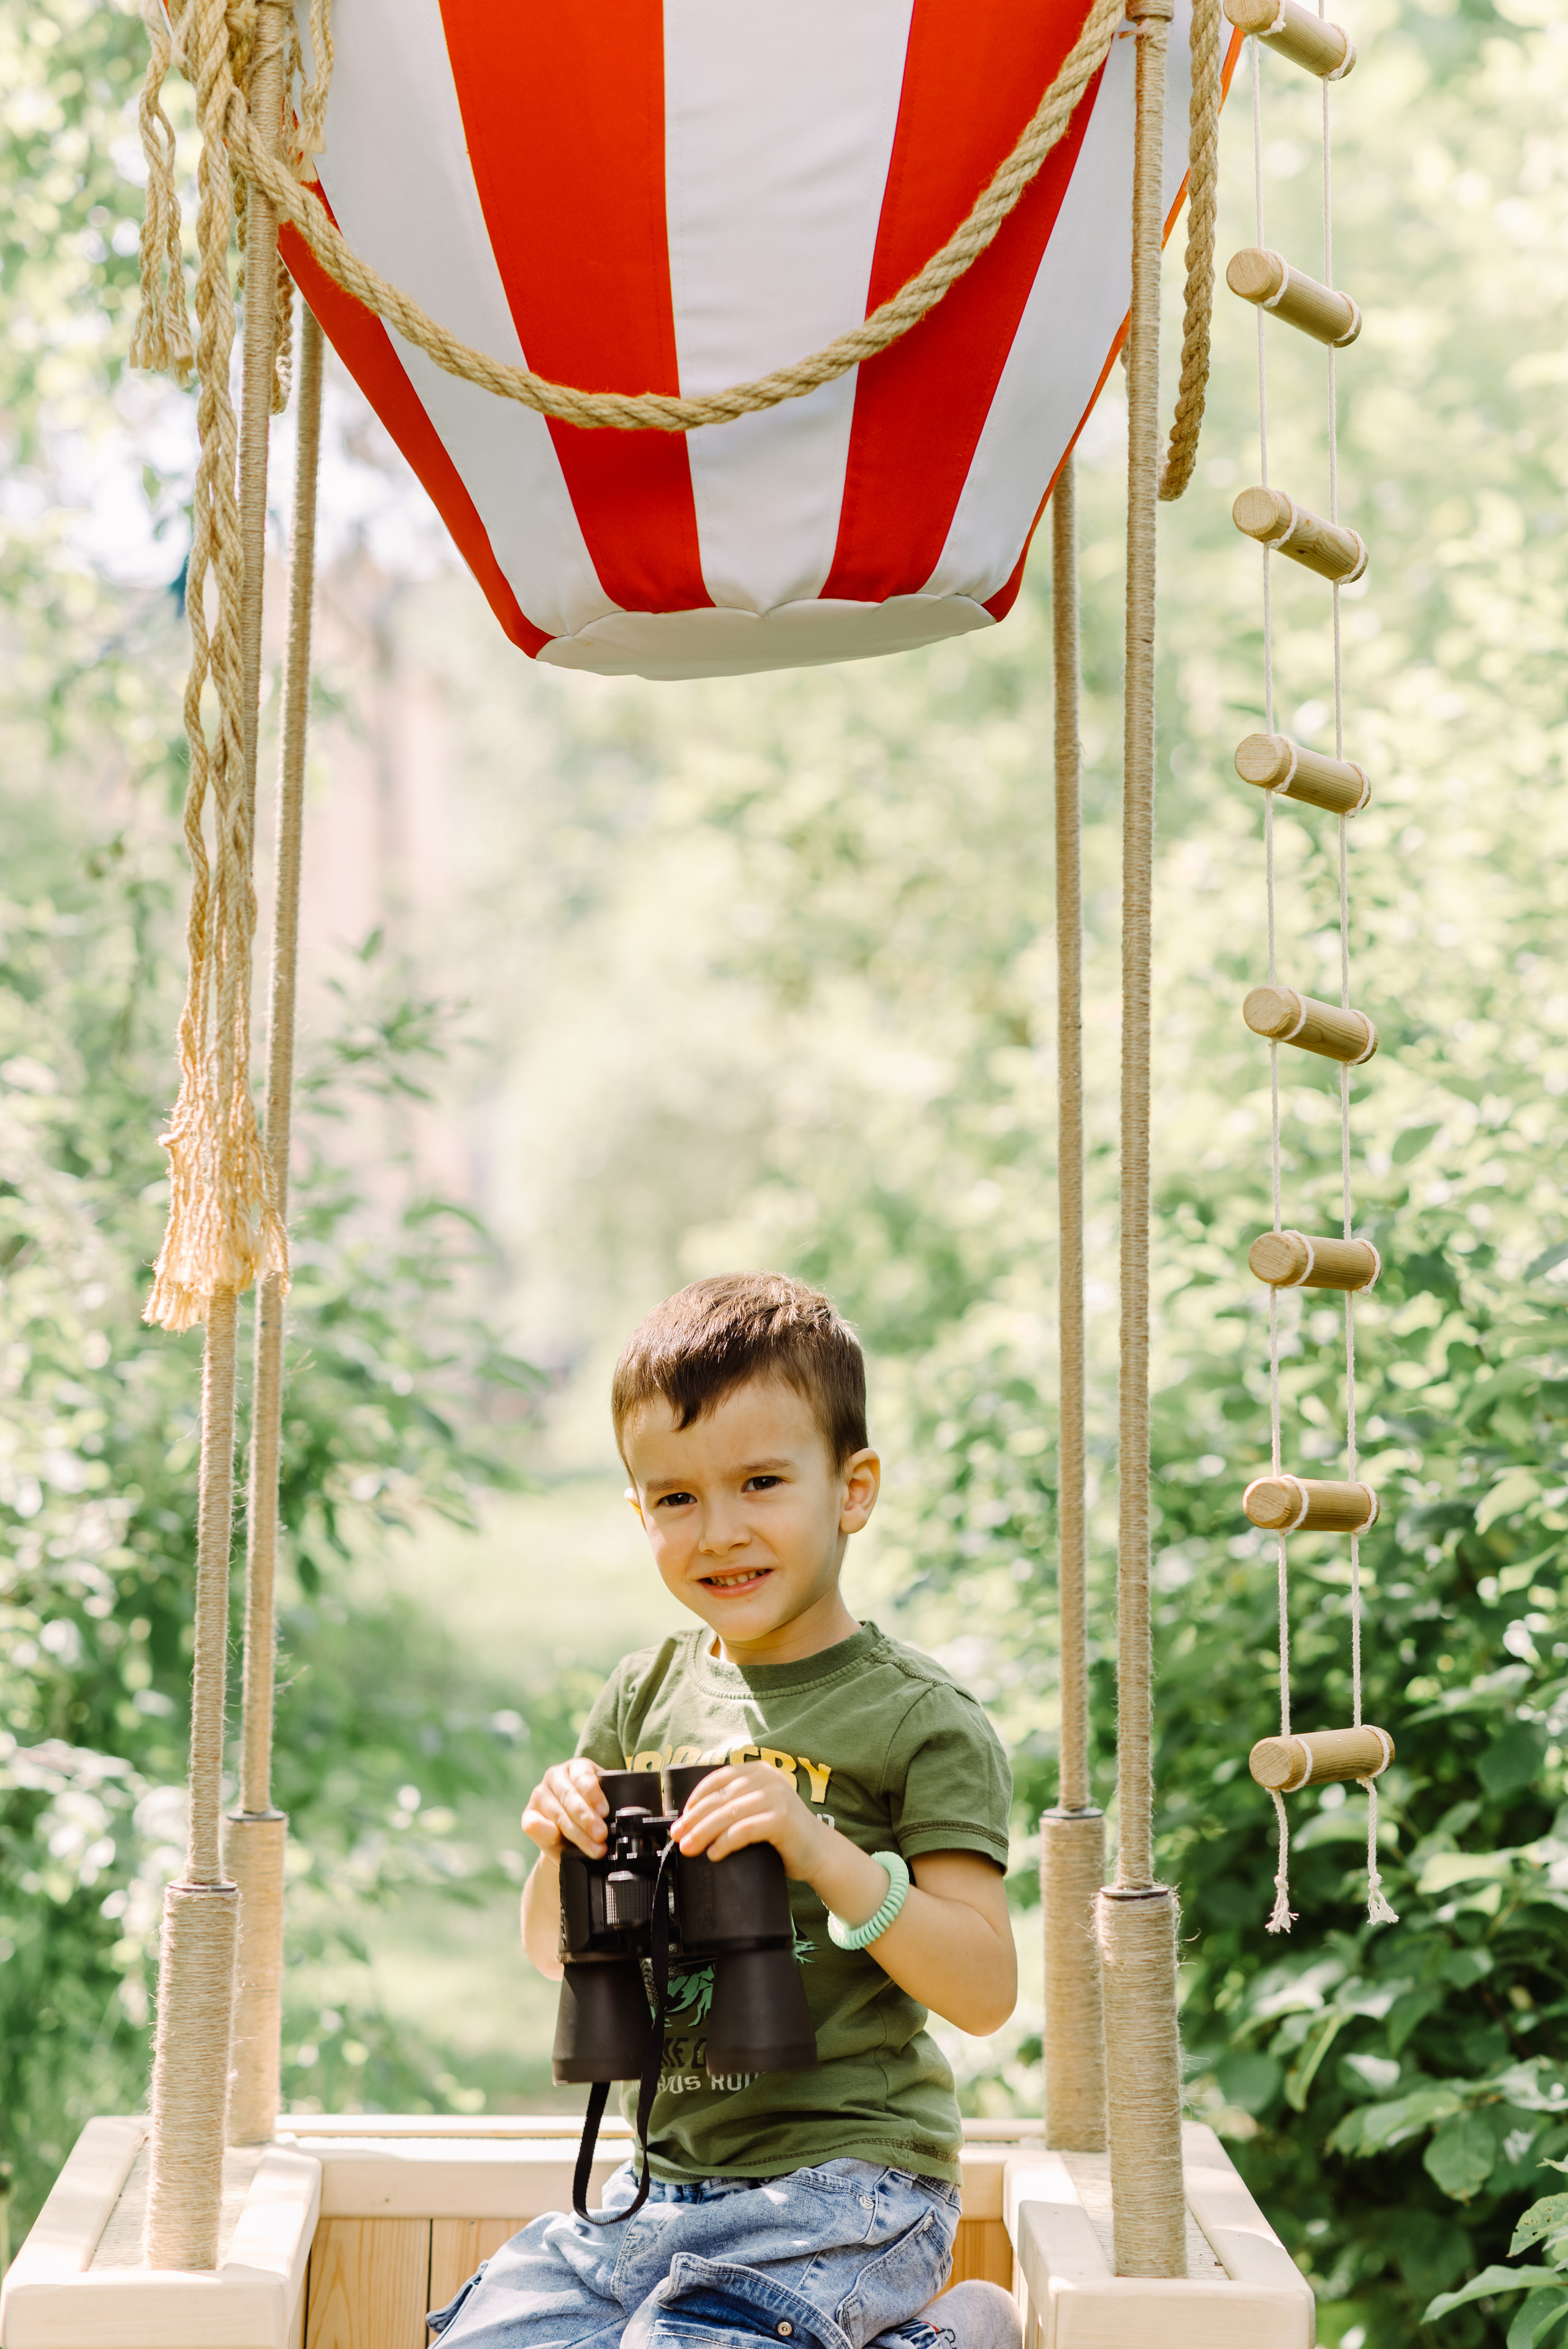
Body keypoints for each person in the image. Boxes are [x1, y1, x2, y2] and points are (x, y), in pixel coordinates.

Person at [429, 1272, 1020, 2349]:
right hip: (656, 2190)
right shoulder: (642, 1694)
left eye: (759, 1481)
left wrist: (816, 1848)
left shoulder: (919, 1720)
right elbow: (548, 1952)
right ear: (638, 1509)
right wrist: (556, 1846)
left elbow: (984, 1988)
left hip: (851, 2188)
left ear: (853, 1488)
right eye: (676, 1498)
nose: (720, 1532)